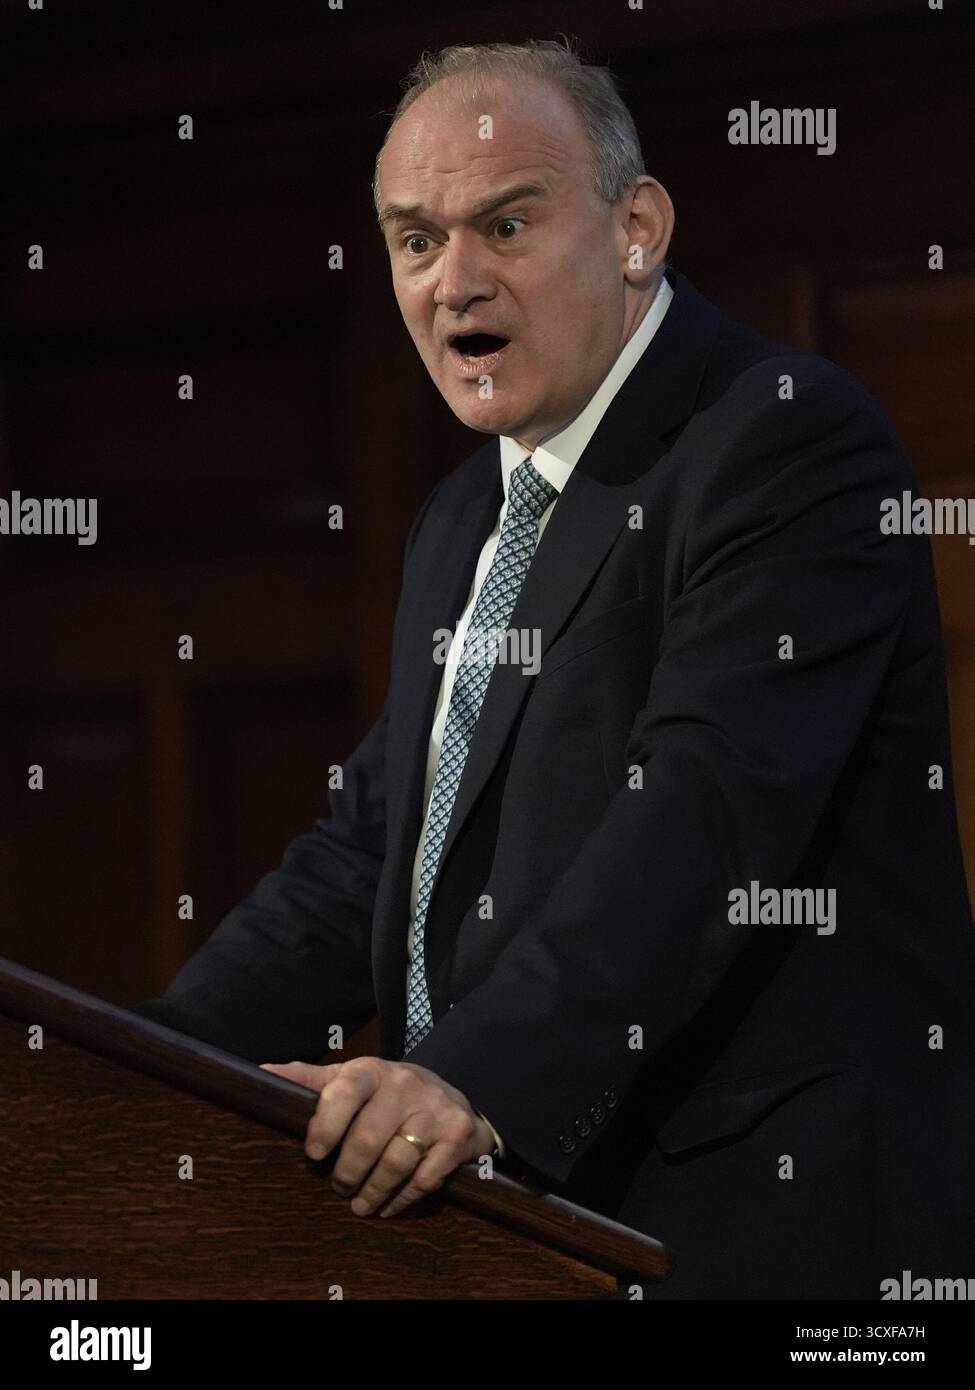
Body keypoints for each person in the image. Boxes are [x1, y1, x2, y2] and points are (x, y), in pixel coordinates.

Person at [133, 38, 975, 1298]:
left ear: (635, 227)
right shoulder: (464, 519)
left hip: (768, 1232)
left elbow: (708, 806)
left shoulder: (782, 438)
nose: (453, 281)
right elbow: (370, 854)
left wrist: (471, 1077)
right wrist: (136, 1073)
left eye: (507, 224)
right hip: (532, 1240)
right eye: (416, 241)